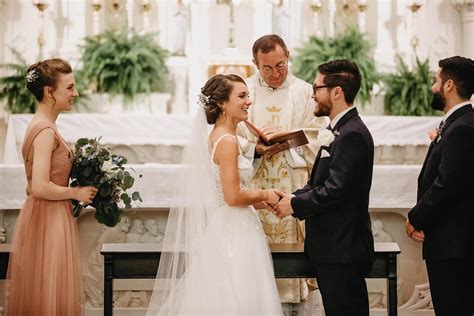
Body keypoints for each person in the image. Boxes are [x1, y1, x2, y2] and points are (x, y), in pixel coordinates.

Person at [147, 74, 283, 315]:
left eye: (248, 95)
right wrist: (265, 192)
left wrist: (265, 202)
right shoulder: (228, 141)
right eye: (241, 96)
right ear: (222, 103)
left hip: (231, 224)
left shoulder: (218, 137)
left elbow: (226, 196)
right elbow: (232, 197)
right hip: (236, 234)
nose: (248, 101)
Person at [273, 59, 375, 316]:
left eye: (317, 88)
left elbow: (336, 191)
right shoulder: (339, 130)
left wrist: (295, 205)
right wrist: (293, 196)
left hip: (343, 250)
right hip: (334, 249)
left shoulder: (351, 134)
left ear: (336, 92)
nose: (312, 94)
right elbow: (321, 183)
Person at [5, 58, 98, 315]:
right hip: (48, 216)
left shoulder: (43, 126)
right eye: (69, 88)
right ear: (49, 92)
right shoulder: (45, 130)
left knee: (48, 288)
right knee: (49, 291)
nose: (75, 94)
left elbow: (30, 183)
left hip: (47, 214)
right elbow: (38, 187)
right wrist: (76, 192)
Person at [237, 34, 326, 302]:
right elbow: (229, 134)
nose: (275, 73)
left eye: (281, 65)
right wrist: (255, 147)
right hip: (255, 185)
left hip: (292, 182)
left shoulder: (303, 91)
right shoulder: (243, 92)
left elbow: (319, 135)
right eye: (267, 67)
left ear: (288, 55)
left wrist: (288, 136)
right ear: (255, 63)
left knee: (292, 259)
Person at [405, 56, 474, 316]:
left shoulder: (462, 128)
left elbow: (446, 185)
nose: (433, 86)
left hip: (454, 244)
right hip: (450, 242)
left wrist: (415, 217)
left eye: (436, 80)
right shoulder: (458, 124)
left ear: (449, 86)